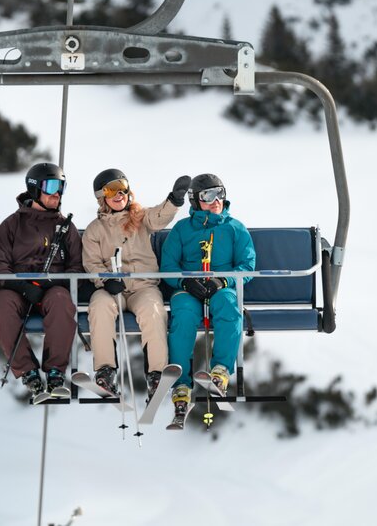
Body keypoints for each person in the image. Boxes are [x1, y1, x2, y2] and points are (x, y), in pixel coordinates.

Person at [81, 169, 190, 399]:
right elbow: (91, 263)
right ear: (102, 197)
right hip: (112, 289)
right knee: (99, 306)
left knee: (153, 311)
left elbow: (159, 217)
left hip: (143, 287)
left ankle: (156, 374)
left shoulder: (140, 217)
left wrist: (174, 200)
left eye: (122, 187)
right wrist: (105, 279)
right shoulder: (95, 230)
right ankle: (105, 370)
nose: (119, 194)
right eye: (112, 190)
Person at [160, 173, 255, 421]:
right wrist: (184, 281)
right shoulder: (182, 230)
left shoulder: (234, 228)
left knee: (229, 305)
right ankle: (181, 385)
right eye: (208, 195)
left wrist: (223, 280)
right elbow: (168, 265)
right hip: (190, 289)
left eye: (220, 193)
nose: (216, 200)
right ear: (195, 201)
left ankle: (220, 371)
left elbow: (247, 266)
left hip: (220, 287)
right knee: (182, 313)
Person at [0, 162, 81, 398]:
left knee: (62, 301)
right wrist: (21, 285)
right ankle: (27, 371)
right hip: (18, 289)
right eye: (51, 186)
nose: (57, 193)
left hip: (53, 288)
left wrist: (55, 282)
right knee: (1, 304)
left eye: (61, 187)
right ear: (34, 189)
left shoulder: (65, 227)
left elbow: (76, 267)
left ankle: (55, 371)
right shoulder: (12, 225)